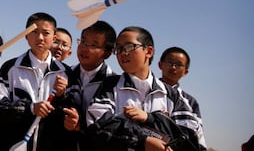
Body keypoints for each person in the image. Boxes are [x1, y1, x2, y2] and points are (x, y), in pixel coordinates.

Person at [68, 26, 206, 150]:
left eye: (128, 47)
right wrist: (142, 141)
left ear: (149, 51)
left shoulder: (172, 95)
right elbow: (98, 127)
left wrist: (151, 119)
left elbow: (189, 136)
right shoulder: (109, 86)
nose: (122, 53)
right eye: (119, 49)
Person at [0, 12, 79, 151]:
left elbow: (74, 110)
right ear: (26, 35)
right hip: (12, 145)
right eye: (34, 32)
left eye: (46, 33)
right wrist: (30, 108)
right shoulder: (10, 68)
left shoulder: (67, 73)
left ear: (54, 37)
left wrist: (62, 96)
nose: (40, 37)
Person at [62, 20, 116, 148]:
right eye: (83, 41)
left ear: (107, 53)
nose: (85, 48)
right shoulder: (65, 74)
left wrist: (81, 123)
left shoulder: (113, 83)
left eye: (94, 45)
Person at [158, 46, 207, 148]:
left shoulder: (190, 102)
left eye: (179, 64)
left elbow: (199, 136)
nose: (173, 67)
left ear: (186, 72)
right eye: (170, 62)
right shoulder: (149, 90)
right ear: (160, 64)